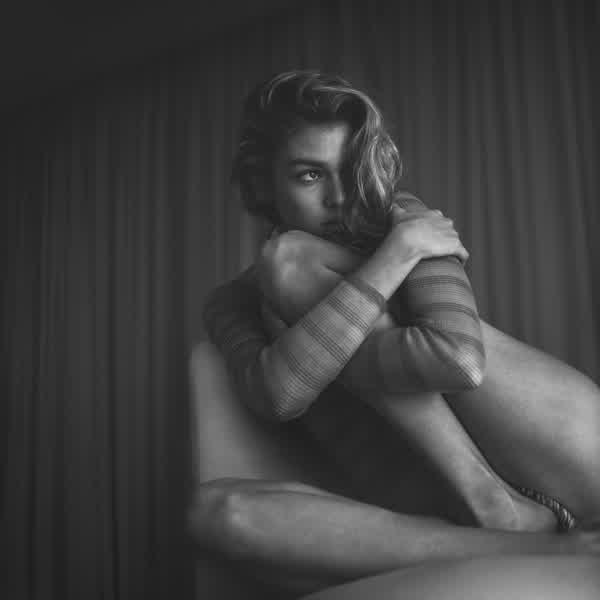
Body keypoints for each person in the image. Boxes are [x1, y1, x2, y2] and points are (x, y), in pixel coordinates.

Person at [188, 70, 600, 598]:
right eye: (309, 175)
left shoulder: (403, 219)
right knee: (216, 514)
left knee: (290, 261)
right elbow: (278, 396)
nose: (340, 197)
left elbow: (457, 360)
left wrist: (398, 245)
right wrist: (393, 261)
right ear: (263, 182)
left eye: (350, 170)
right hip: (441, 513)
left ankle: (495, 506)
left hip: (569, 456)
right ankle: (524, 541)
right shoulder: (234, 303)